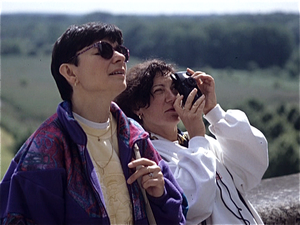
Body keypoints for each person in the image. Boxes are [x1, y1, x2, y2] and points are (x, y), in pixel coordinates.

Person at [0, 23, 187, 224]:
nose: (120, 57)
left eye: (121, 50)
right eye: (104, 50)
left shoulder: (136, 138)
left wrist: (160, 197)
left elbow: (179, 215)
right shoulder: (45, 151)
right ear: (70, 73)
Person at [115, 59, 269, 225]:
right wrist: (197, 135)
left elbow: (254, 165)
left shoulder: (200, 142)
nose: (172, 97)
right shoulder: (148, 156)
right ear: (138, 106)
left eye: (175, 88)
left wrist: (213, 112)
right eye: (159, 91)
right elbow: (194, 205)